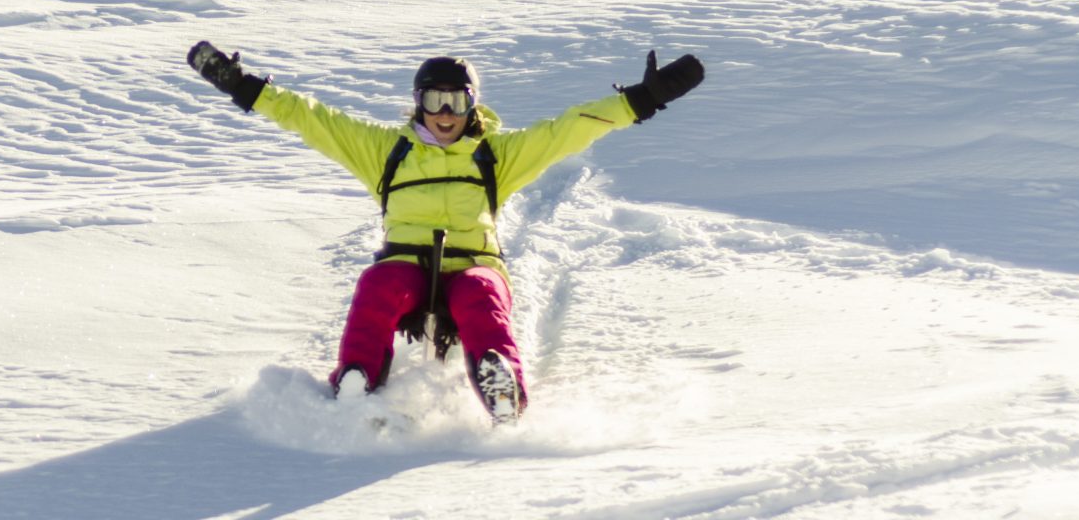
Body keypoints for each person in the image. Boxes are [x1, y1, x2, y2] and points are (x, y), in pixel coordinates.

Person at [185, 41, 703, 423]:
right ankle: (357, 379)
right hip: (405, 263)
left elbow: (570, 127)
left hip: (473, 264)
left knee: (481, 297)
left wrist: (641, 99)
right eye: (435, 101)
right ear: (418, 103)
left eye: (457, 102)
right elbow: (312, 119)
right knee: (378, 287)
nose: (446, 115)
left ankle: (501, 386)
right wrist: (246, 87)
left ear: (473, 105)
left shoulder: (495, 155)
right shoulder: (385, 150)